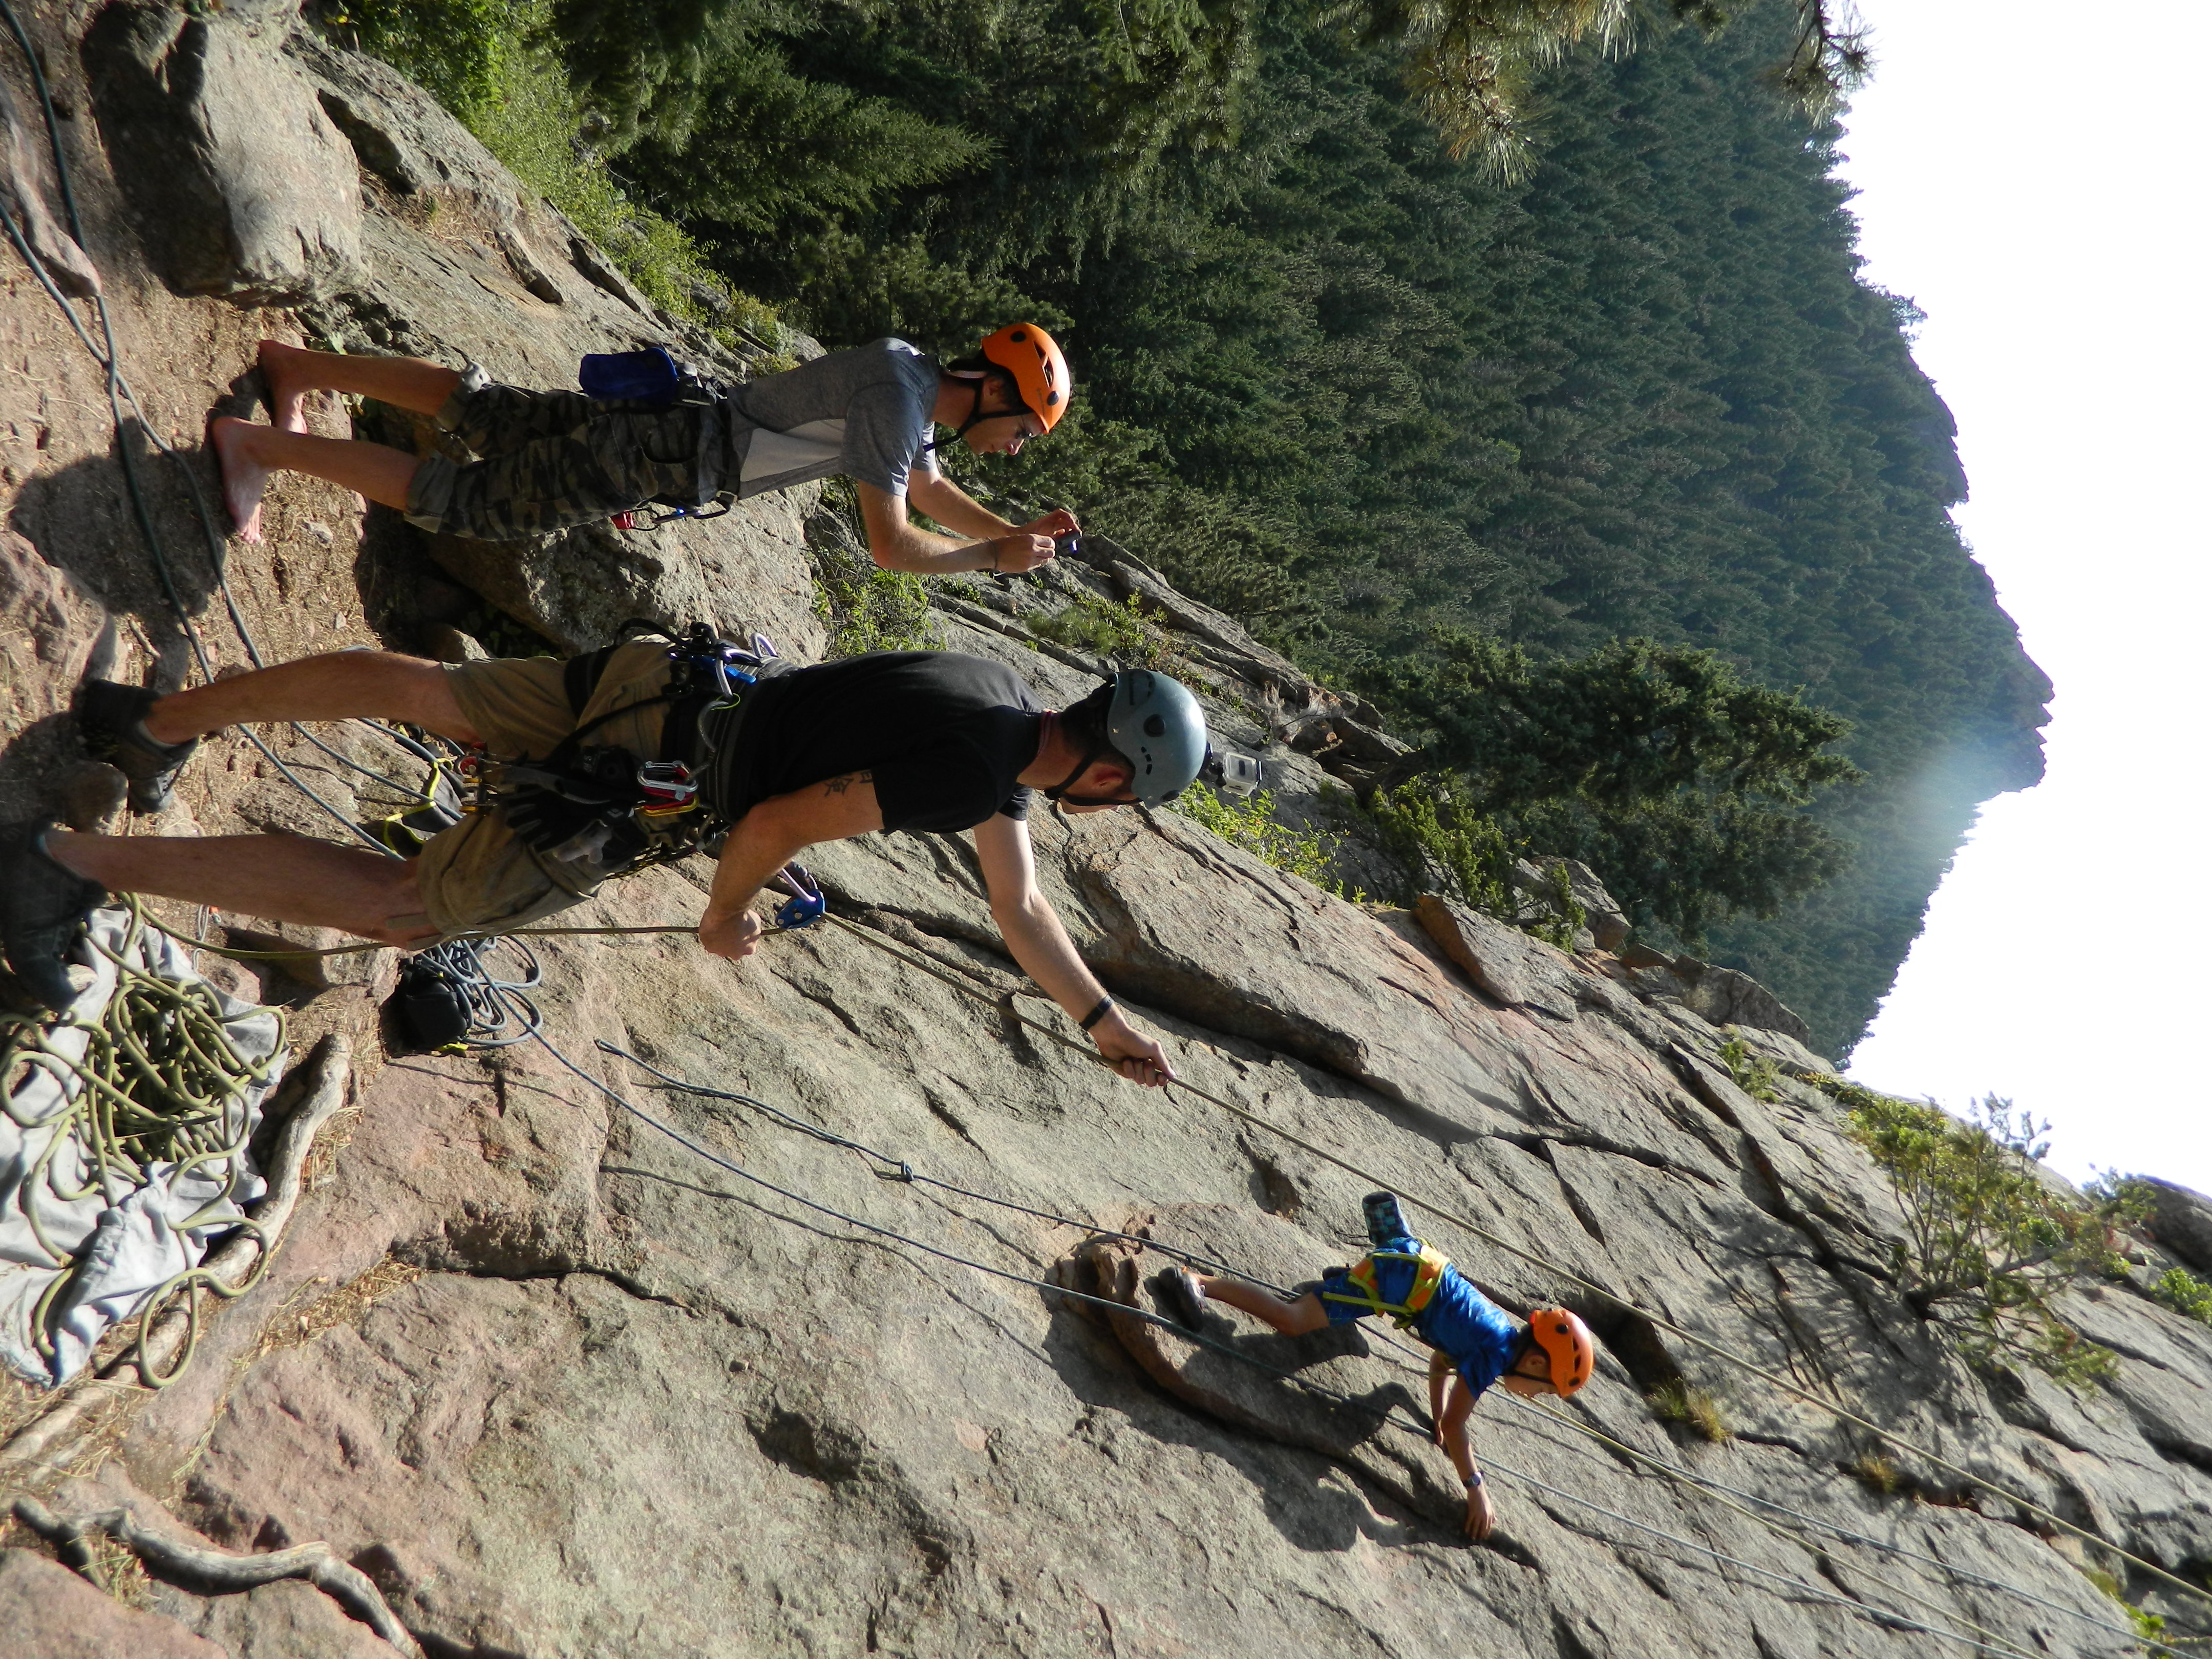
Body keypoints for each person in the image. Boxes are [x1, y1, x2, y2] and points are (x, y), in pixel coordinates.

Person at [0, 634, 1237, 1089]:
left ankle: (152, 722)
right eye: (1127, 801)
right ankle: (67, 858)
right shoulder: (977, 770)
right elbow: (775, 827)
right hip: (653, 782)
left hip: (673, 681)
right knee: (407, 906)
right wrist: (725, 919)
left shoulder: (1004, 699)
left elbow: (1016, 901)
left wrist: (1101, 1016)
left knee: (442, 690)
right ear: (1115, 775)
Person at [209, 324, 1079, 576]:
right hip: (666, 458)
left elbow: (926, 488)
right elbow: (892, 545)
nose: (1011, 450)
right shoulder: (900, 401)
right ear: (998, 388)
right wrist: (989, 560)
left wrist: (1014, 529)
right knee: (468, 500)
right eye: (1025, 433)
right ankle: (256, 449)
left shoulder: (915, 390)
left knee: (487, 411)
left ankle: (294, 365)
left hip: (675, 432)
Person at [1153, 1192, 1597, 1541]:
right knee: (1292, 1321)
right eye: (1544, 1388)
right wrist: (1475, 1487)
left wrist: (1438, 1414)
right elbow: (1460, 1429)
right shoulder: (1496, 1355)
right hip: (1398, 1278)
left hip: (1413, 1265)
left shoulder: (1496, 1337)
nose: (1537, 1395)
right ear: (1536, 1361)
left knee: (1337, 1308)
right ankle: (1198, 1282)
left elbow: (1444, 1358)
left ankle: (1348, 1280)